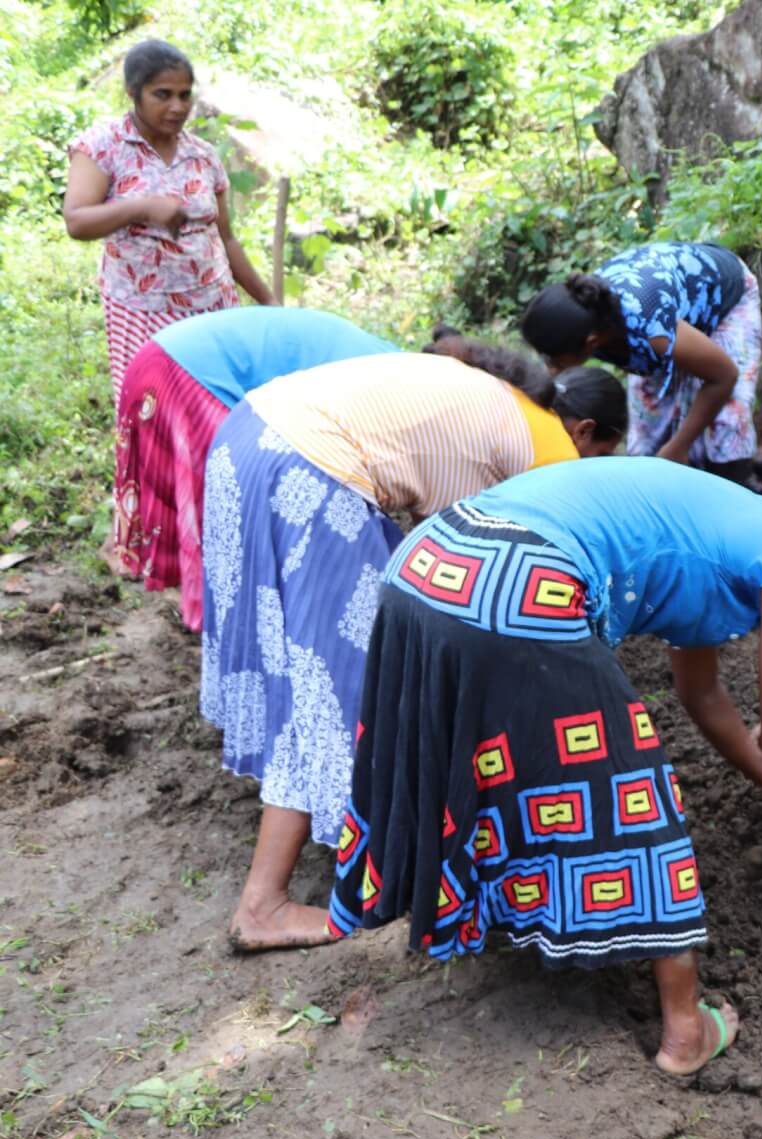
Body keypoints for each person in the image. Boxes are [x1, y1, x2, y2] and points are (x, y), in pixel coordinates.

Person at [325, 454, 762, 1074]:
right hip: (518, 582)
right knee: (632, 790)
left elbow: (702, 694)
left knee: (489, 757)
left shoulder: (710, 519)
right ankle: (685, 1032)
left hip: (427, 563)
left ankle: (480, 913)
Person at [203, 337, 619, 953]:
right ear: (584, 433)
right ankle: (263, 906)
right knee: (347, 676)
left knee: (299, 658)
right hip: (310, 469)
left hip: (247, 436)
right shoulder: (554, 457)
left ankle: (343, 827)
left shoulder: (495, 401)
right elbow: (475, 590)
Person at [114, 306, 399, 630]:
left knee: (225, 506)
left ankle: (225, 613)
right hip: (190, 375)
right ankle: (232, 624)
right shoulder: (390, 383)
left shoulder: (390, 364)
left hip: (157, 359)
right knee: (239, 503)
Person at [64, 39, 274, 404]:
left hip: (212, 307)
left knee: (216, 411)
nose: (177, 107)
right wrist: (142, 207)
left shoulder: (202, 155)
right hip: (143, 314)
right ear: (134, 92)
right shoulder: (103, 147)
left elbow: (226, 240)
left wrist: (269, 302)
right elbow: (77, 221)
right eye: (162, 94)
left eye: (185, 95)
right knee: (155, 416)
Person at [520, 241, 759, 481]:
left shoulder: (650, 330)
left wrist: (679, 446)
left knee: (725, 423)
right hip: (669, 313)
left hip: (723, 299)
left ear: (591, 343)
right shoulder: (584, 313)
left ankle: (734, 487)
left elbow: (724, 376)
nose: (550, 366)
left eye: (554, 359)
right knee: (648, 432)